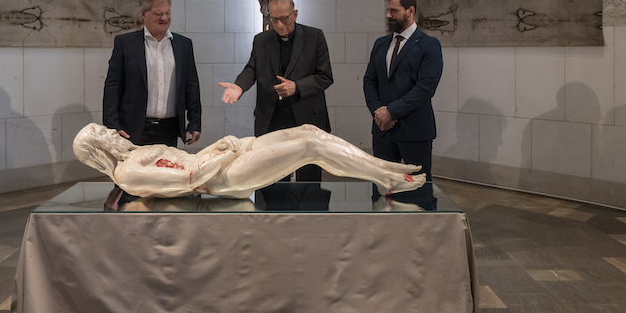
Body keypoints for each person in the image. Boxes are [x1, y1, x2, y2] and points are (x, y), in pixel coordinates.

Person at [73, 122, 425, 199]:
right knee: (309, 149)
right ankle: (386, 177)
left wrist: (219, 146)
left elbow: (190, 159)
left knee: (309, 131)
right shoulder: (129, 172)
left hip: (223, 158)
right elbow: (192, 180)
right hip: (225, 178)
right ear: (98, 150)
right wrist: (223, 154)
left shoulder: (135, 153)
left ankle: (384, 168)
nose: (112, 131)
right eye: (104, 133)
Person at [217, 0, 333, 181]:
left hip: (306, 118)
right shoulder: (262, 40)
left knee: (309, 179)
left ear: (295, 14)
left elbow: (325, 77)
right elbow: (252, 69)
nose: (279, 25)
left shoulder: (314, 37)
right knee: (271, 178)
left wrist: (297, 87)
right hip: (272, 119)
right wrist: (239, 86)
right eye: (274, 19)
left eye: (284, 19)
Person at [102, 0, 202, 147]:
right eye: (158, 13)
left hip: (169, 128)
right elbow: (113, 85)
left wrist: (195, 121)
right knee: (133, 171)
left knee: (167, 170)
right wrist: (112, 124)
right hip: (133, 129)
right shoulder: (125, 44)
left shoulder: (184, 45)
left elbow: (191, 85)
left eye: (167, 13)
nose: (164, 18)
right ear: (144, 15)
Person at [363, 0, 443, 180]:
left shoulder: (429, 45)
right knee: (383, 187)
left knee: (418, 190)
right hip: (383, 130)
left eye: (394, 11)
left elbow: (425, 88)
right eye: (387, 10)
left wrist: (391, 111)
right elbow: (369, 81)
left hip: (414, 131)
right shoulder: (380, 44)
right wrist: (378, 112)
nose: (388, 15)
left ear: (410, 11)